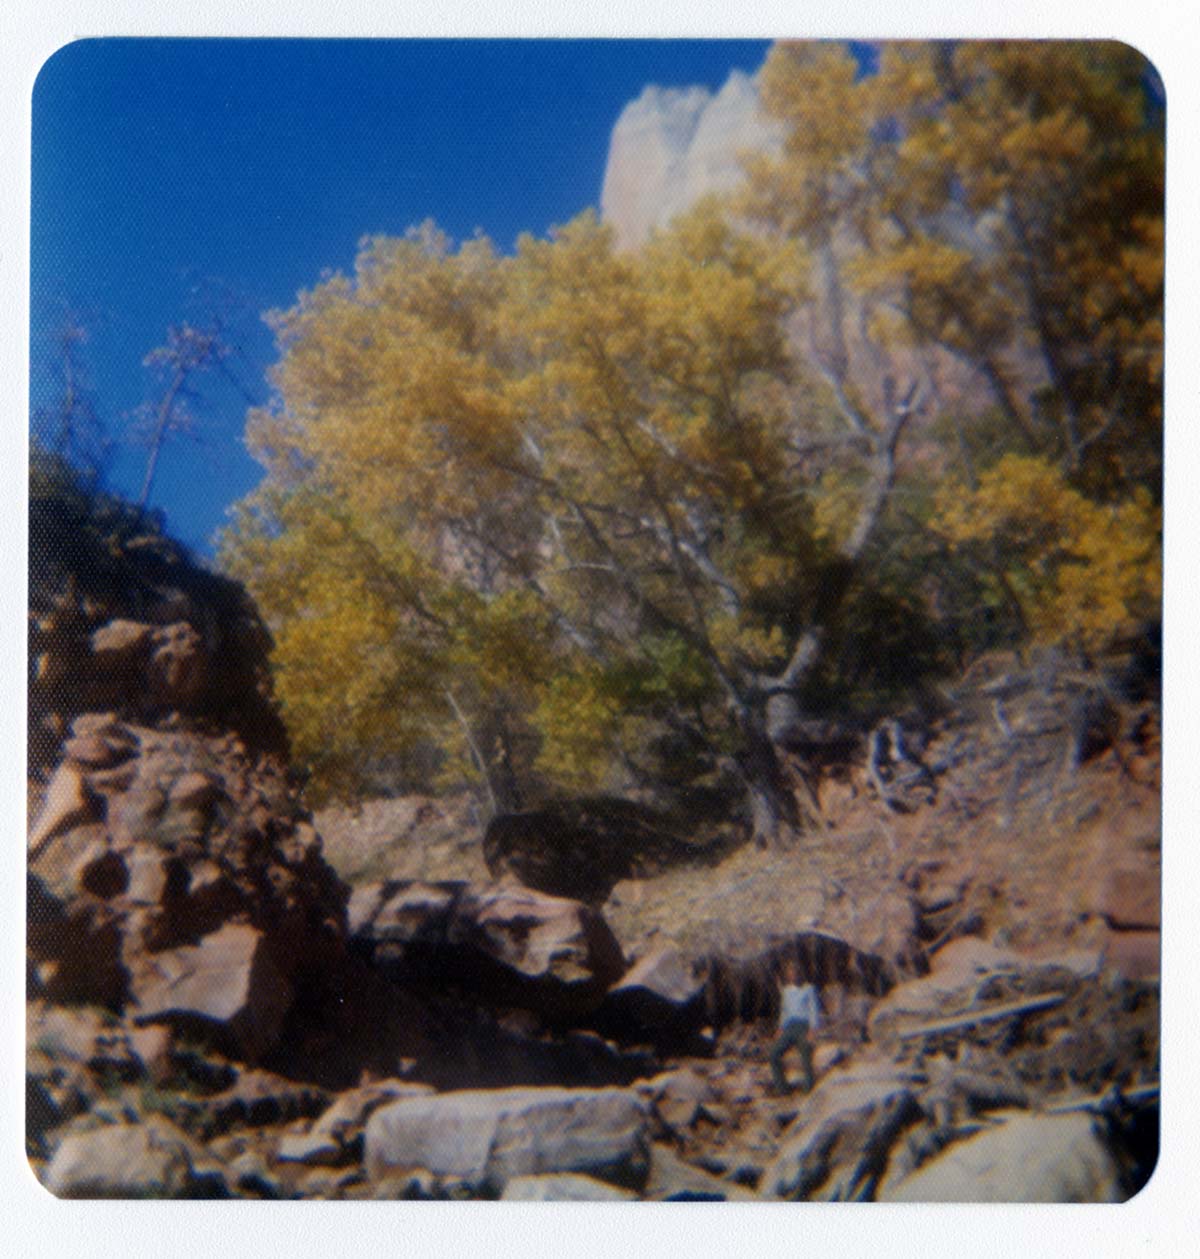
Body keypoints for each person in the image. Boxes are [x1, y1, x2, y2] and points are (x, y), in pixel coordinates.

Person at [769, 958, 820, 1094]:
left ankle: (809, 1088)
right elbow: (784, 1012)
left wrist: (813, 1029)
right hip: (789, 1026)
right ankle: (782, 1089)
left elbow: (813, 1010)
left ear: (800, 973)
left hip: (804, 1025)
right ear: (788, 975)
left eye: (796, 973)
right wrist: (780, 1028)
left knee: (806, 1053)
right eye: (791, 974)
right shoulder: (786, 991)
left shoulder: (809, 989)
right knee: (774, 1054)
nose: (793, 976)